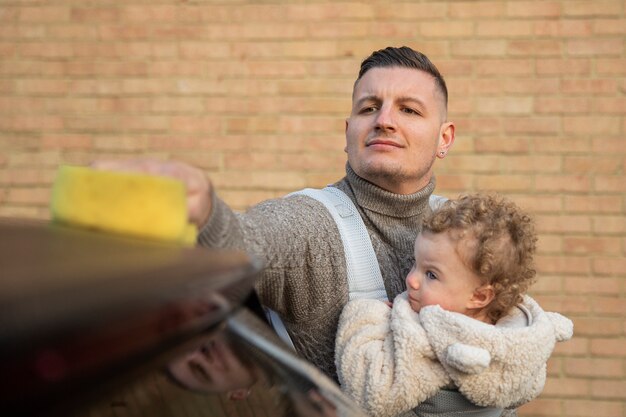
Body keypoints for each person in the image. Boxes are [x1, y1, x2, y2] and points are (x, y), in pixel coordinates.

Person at [93, 46, 455, 383]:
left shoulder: (465, 227)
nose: (384, 120)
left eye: (409, 109)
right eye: (368, 107)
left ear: (444, 139)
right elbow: (245, 243)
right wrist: (205, 211)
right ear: (348, 133)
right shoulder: (311, 226)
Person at [335, 193, 574, 417]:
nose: (411, 279)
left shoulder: (434, 342)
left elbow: (370, 393)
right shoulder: (523, 342)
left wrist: (366, 316)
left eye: (431, 275)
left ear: (479, 297)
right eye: (414, 264)